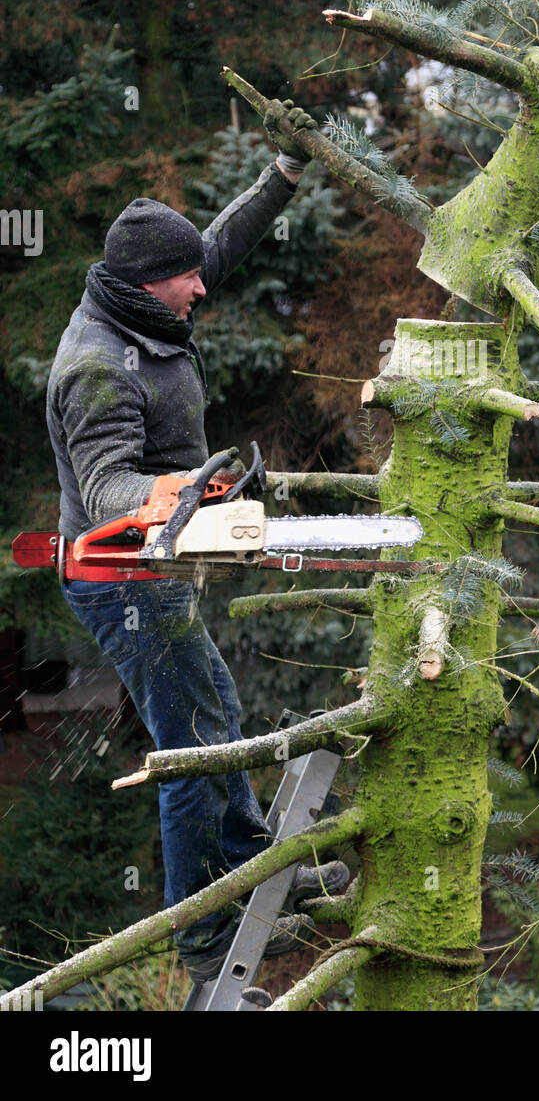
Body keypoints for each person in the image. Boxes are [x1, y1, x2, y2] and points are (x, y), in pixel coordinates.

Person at [46, 106, 348, 981]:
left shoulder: (147, 296)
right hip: (119, 577)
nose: (202, 290)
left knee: (214, 704)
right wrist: (184, 489)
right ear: (148, 287)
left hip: (157, 567)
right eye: (186, 283)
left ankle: (252, 857)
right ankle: (205, 934)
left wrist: (284, 171)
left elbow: (214, 249)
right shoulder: (99, 366)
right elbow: (106, 491)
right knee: (191, 747)